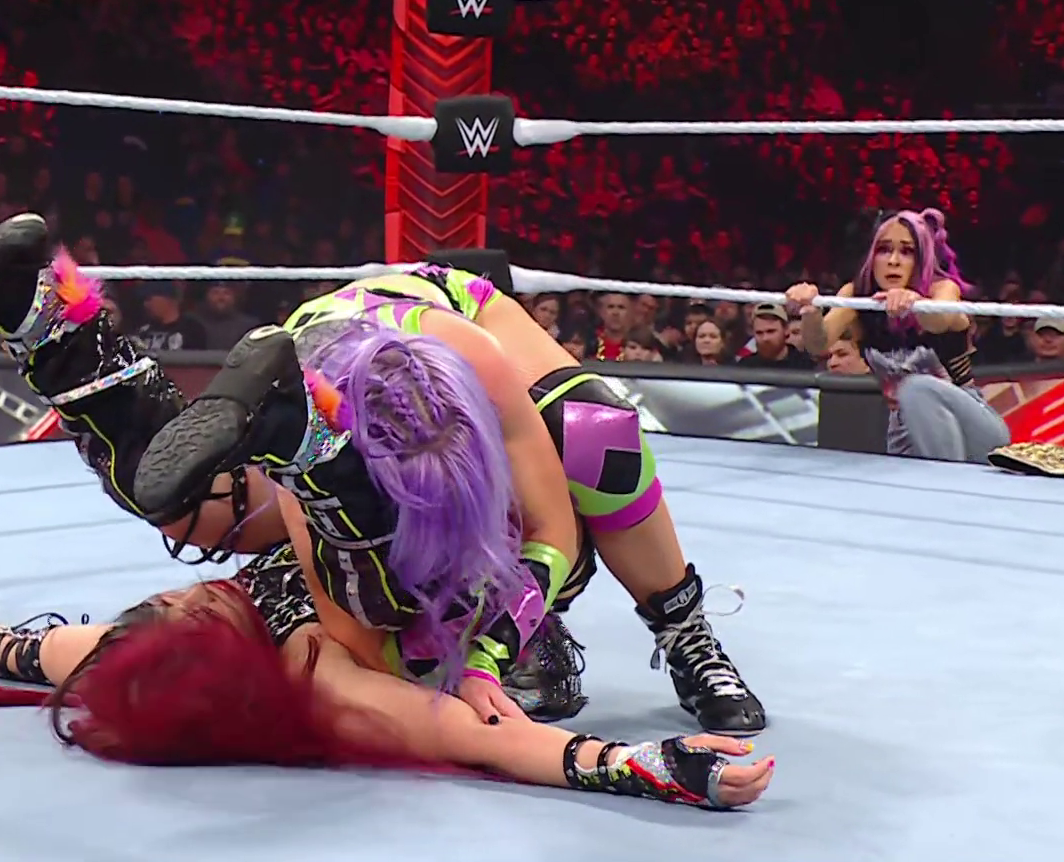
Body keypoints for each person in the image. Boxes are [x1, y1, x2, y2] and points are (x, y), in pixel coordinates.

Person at [0, 216, 584, 725]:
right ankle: (307, 440)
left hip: (355, 433)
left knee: (193, 502)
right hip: (408, 404)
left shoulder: (306, 645)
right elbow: (550, 546)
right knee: (365, 584)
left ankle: (38, 309)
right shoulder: (384, 631)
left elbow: (45, 653)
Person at [134, 247, 766, 735]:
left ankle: (686, 632)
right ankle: (85, 358)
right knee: (197, 515)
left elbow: (553, 531)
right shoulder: (309, 440)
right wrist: (439, 662)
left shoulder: (477, 357)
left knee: (595, 436)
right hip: (326, 401)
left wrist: (489, 654)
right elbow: (356, 641)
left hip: (446, 308)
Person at [0, 548, 775, 810]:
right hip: (470, 600)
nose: (183, 598)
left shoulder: (144, 642)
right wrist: (649, 765)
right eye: (191, 612)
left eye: (182, 604)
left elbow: (7, 651)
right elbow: (489, 739)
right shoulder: (329, 683)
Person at [789, 208, 1010, 463]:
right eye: (884, 250)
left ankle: (948, 479)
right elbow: (818, 344)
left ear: (921, 259)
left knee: (916, 387)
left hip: (972, 426)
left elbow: (939, 320)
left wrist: (916, 303)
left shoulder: (942, 289)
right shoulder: (857, 296)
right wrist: (810, 311)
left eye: (906, 252)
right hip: (905, 432)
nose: (893, 261)